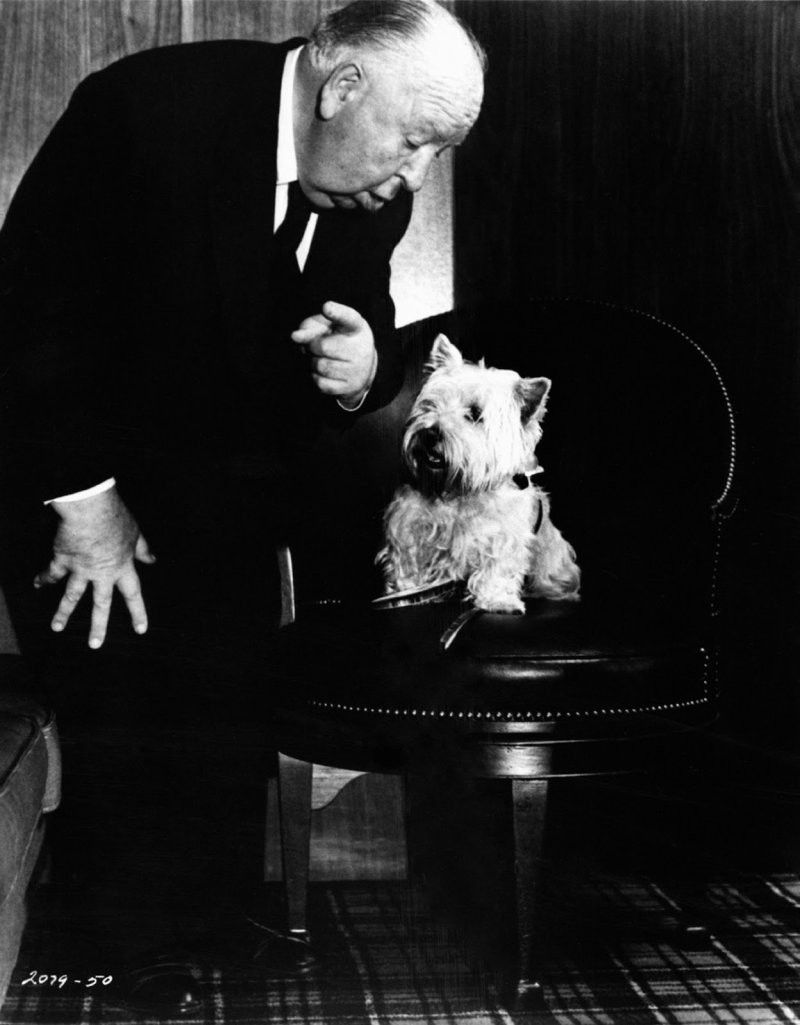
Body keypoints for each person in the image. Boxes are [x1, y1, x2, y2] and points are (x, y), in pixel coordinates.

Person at [0, 0, 485, 1013]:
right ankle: (112, 951)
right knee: (119, 689)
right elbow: (30, 312)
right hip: (72, 463)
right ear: (339, 87)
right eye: (412, 141)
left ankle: (205, 924)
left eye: (438, 152)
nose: (415, 177)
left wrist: (361, 368)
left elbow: (355, 316)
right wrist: (85, 502)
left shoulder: (368, 183)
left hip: (221, 481)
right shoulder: (146, 110)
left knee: (223, 697)